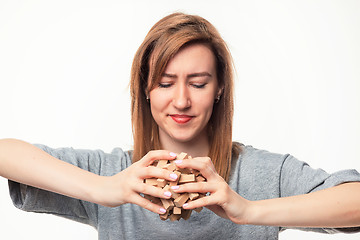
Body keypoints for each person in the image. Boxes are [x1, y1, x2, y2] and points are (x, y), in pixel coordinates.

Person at [1, 12, 360, 239]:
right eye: (165, 82)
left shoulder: (262, 174)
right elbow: (5, 154)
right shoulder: (113, 173)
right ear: (145, 88)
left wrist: (248, 210)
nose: (182, 100)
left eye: (199, 83)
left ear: (219, 88)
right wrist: (104, 190)